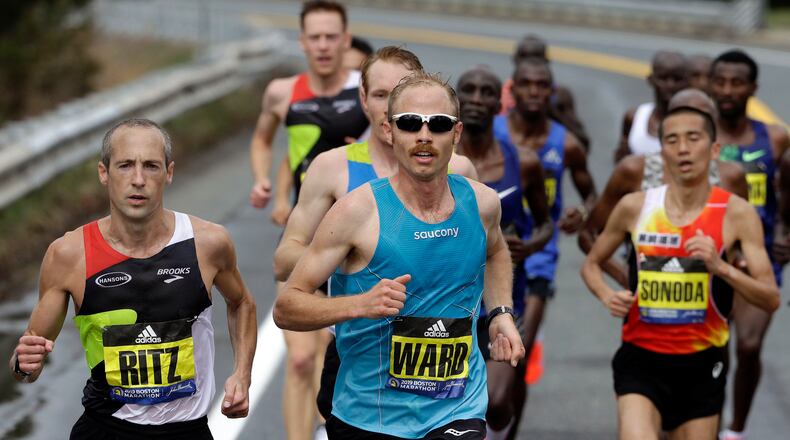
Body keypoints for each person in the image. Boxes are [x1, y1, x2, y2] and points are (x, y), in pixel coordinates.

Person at [274, 72, 525, 439]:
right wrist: (359, 305)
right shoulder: (356, 212)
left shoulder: (482, 202)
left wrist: (501, 313)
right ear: (390, 131)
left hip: (457, 407)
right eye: (410, 124)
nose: (424, 136)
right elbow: (287, 307)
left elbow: (497, 250)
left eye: (438, 125)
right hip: (369, 415)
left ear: (455, 134)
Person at [9, 118, 257, 439]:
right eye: (125, 165)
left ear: (168, 173)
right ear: (104, 173)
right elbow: (28, 360)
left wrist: (242, 374)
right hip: (105, 429)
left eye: (151, 166)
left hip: (186, 432)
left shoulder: (207, 243)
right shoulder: (69, 255)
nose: (138, 179)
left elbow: (242, 303)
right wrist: (23, 364)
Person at [581, 106, 780, 439]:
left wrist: (721, 268)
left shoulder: (737, 214)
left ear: (714, 149)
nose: (683, 148)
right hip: (640, 362)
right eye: (672, 140)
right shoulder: (635, 206)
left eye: (693, 138)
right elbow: (591, 262)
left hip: (701, 367)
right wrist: (607, 294)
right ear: (662, 152)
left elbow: (770, 298)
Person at [248, 3, 369, 439]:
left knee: (344, 351)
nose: (322, 45)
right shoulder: (282, 92)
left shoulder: (367, 90)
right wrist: (267, 184)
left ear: (345, 38)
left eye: (330, 36)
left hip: (360, 242)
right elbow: (266, 141)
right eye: (314, 37)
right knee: (300, 358)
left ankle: (331, 425)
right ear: (302, 42)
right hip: (303, 237)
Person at [456, 66, 552, 440]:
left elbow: (545, 224)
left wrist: (529, 246)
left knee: (496, 406)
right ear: (456, 99)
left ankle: (510, 415)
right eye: (469, 91)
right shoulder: (436, 160)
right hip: (452, 298)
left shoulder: (524, 162)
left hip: (505, 296)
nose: (477, 99)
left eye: (486, 92)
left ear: (500, 103)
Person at [578, 88, 748, 287]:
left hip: (712, 303)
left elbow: (745, 243)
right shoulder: (634, 170)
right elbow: (588, 235)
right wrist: (626, 278)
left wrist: (732, 272)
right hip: (647, 304)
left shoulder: (731, 176)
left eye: (698, 122)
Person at [501, 56, 597, 406]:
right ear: (512, 89)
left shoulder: (565, 143)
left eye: (542, 85)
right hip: (486, 254)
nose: (534, 91)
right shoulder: (490, 130)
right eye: (527, 84)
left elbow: (592, 195)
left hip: (538, 254)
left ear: (552, 92)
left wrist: (581, 214)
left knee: (518, 352)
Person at [709, 49, 790, 440]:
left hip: (759, 259)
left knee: (750, 347)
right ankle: (707, 417)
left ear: (752, 89)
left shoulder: (774, 137)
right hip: (709, 257)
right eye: (720, 81)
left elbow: (787, 197)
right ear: (709, 84)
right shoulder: (699, 138)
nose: (727, 90)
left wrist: (784, 236)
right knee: (716, 346)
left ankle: (736, 430)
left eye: (736, 82)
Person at [500, 34, 591, 151]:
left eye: (537, 58)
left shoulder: (559, 95)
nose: (531, 63)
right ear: (515, 61)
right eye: (525, 57)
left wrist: (552, 111)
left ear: (546, 61)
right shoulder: (499, 94)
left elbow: (583, 143)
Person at [615, 51, 689, 162]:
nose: (670, 85)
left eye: (677, 79)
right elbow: (621, 164)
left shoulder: (698, 122)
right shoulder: (634, 117)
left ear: (687, 82)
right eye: (663, 78)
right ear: (651, 80)